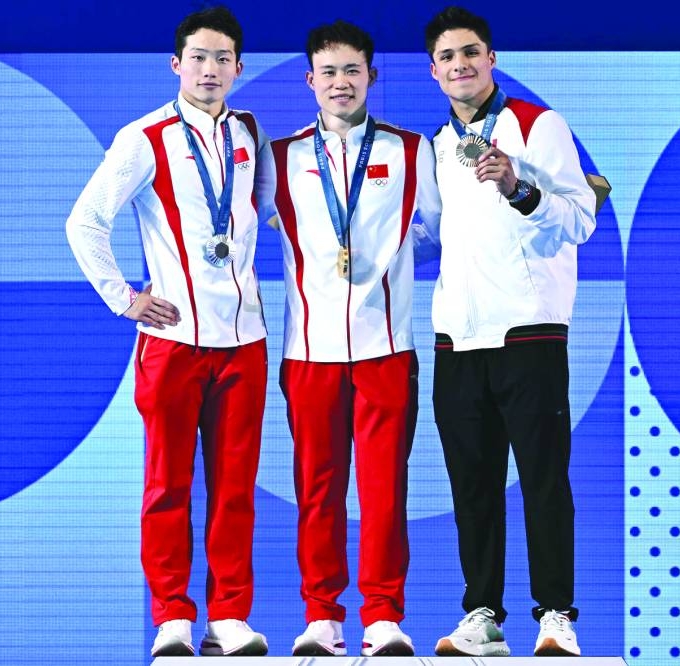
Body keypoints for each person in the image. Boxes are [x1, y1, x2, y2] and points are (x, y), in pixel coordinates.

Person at [65, 6, 273, 658]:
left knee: (235, 489)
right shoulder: (145, 137)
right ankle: (173, 618)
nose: (210, 71)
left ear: (239, 68)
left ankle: (230, 617)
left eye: (223, 60)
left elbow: (267, 215)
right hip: (174, 341)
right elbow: (85, 222)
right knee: (167, 487)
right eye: (199, 58)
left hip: (245, 342)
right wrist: (124, 298)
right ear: (176, 64)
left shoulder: (251, 134)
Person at [262, 20, 441, 658]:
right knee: (318, 487)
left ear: (372, 75)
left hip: (386, 349)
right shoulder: (278, 158)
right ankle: (321, 616)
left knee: (385, 486)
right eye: (328, 72)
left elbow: (444, 228)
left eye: (352, 71)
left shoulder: (412, 150)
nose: (341, 83)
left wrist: (394, 251)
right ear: (310, 80)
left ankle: (384, 617)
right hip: (308, 352)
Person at [423, 6, 597, 658]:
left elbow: (580, 218)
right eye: (447, 57)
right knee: (472, 483)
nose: (460, 65)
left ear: (491, 59)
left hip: (529, 329)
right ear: (434, 70)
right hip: (457, 338)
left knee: (544, 477)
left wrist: (520, 186)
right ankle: (482, 615)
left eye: (471, 52)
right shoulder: (437, 146)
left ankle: (555, 614)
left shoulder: (537, 124)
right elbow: (426, 236)